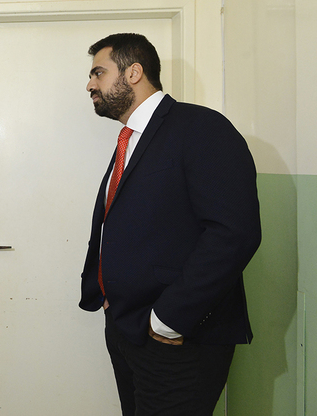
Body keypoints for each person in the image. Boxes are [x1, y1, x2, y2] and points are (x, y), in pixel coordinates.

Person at [79, 33, 262, 415]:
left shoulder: (202, 128)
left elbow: (234, 233)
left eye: (99, 72)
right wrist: (112, 299)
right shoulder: (130, 139)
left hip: (179, 340)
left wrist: (168, 319)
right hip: (128, 328)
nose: (90, 84)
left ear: (133, 72)